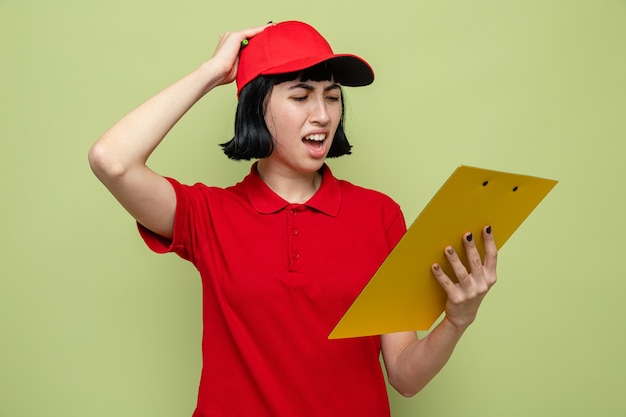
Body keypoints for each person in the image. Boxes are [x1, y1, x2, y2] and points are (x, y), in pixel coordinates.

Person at [88, 20, 497, 417]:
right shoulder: (207, 215)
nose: (322, 114)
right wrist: (211, 73)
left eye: (332, 96)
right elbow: (112, 160)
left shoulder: (379, 215)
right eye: (301, 97)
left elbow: (405, 376)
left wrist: (457, 321)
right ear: (256, 108)